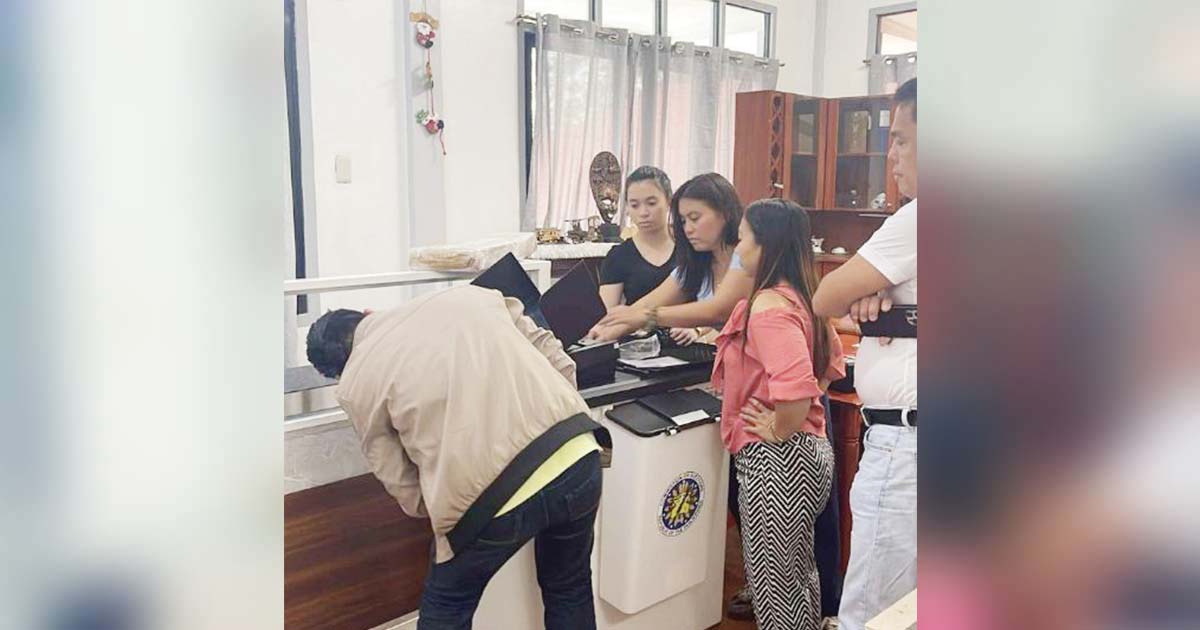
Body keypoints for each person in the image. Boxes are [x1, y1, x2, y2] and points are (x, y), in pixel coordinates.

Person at [306, 285, 612, 630]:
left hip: (489, 499)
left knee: (445, 611)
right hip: (577, 451)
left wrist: (447, 497)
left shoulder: (355, 384)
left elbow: (404, 487)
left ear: (338, 371)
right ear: (366, 314)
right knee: (569, 588)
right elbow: (547, 345)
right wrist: (559, 411)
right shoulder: (468, 295)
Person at [813, 77, 918, 630]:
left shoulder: (921, 218)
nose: (891, 154)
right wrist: (872, 292)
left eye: (901, 138)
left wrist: (860, 290)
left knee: (874, 609)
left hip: (907, 447)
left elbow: (826, 295)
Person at [712, 198, 845, 630]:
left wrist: (780, 425)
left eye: (744, 237)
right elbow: (831, 366)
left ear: (764, 245)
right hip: (807, 454)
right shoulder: (802, 297)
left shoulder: (768, 308)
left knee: (776, 595)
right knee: (799, 578)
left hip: (778, 461)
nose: (737, 245)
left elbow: (795, 386)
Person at [590, 171, 745, 347]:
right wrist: (604, 331)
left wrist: (647, 316)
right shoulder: (697, 263)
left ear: (724, 213)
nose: (688, 229)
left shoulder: (746, 258)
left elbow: (717, 311)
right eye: (684, 221)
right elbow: (646, 305)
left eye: (695, 218)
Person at [598, 166, 675, 309]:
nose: (643, 212)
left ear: (669, 202)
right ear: (627, 207)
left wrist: (697, 329)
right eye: (634, 205)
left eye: (651, 203)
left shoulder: (689, 248)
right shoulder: (619, 256)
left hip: (687, 328)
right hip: (636, 329)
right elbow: (606, 316)